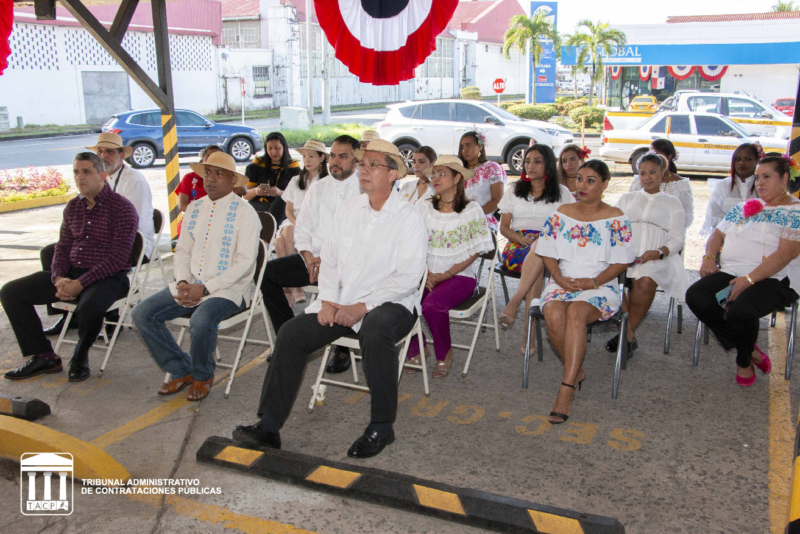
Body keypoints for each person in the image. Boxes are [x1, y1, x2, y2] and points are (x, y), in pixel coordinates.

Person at [232, 139, 427, 459]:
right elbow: (331, 261)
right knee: (291, 333)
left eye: (373, 165)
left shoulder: (408, 216)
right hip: (343, 299)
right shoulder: (349, 209)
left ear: (393, 175)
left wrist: (361, 307)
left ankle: (382, 426)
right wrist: (328, 300)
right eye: (363, 164)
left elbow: (407, 278)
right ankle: (268, 426)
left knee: (375, 329)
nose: (364, 170)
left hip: (392, 303)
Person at [131, 153, 260, 401]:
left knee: (201, 320)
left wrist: (206, 288)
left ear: (233, 179)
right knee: (141, 313)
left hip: (228, 290)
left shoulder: (245, 213)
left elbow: (244, 264)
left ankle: (202, 375)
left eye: (218, 173)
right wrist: (182, 282)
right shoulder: (195, 207)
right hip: (190, 284)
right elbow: (182, 250)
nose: (210, 179)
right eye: (207, 173)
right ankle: (181, 369)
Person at [1, 152, 138, 382]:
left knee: (89, 306)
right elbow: (62, 247)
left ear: (103, 175)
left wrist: (79, 284)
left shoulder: (122, 208)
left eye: (86, 172)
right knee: (11, 292)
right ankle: (44, 356)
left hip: (110, 277)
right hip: (73, 273)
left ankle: (80, 357)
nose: (80, 177)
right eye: (76, 172)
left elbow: (118, 259)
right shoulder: (74, 206)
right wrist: (58, 278)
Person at [686, 155, 800, 386]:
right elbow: (717, 235)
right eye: (757, 177)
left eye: (767, 177)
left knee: (742, 310)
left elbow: (785, 254)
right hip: (731, 271)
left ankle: (743, 359)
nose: (759, 182)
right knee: (696, 296)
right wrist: (709, 258)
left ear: (784, 178)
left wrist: (747, 280)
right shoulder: (743, 207)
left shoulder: (795, 212)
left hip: (775, 277)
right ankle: (749, 348)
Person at [537, 159, 635, 424]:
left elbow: (622, 261)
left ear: (605, 184)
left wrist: (594, 282)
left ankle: (566, 388)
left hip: (600, 282)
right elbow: (546, 252)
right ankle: (576, 370)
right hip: (563, 279)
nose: (582, 185)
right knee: (554, 313)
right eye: (579, 179)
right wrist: (558, 277)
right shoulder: (562, 212)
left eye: (590, 180)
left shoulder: (615, 217)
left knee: (577, 313)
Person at [259, 135, 361, 374]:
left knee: (345, 281)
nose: (335, 161)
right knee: (268, 274)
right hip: (313, 260)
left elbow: (362, 241)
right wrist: (307, 257)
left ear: (356, 161)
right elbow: (302, 229)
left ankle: (342, 349)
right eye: (333, 155)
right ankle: (291, 342)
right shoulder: (318, 188)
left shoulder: (364, 190)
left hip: (347, 265)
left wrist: (329, 261)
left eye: (343, 156)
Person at [40, 133, 156, 338]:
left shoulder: (133, 180)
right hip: (105, 239)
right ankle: (67, 310)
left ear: (122, 155)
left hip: (134, 244)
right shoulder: (100, 177)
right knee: (52, 251)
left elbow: (132, 225)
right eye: (100, 151)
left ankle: (110, 316)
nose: (104, 156)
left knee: (98, 253)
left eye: (110, 152)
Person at [404, 155, 493, 378]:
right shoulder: (424, 207)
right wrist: (426, 272)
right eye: (434, 174)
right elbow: (413, 242)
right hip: (425, 272)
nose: (435, 178)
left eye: (442, 173)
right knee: (402, 298)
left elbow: (476, 250)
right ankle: (418, 347)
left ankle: (444, 354)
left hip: (460, 275)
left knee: (432, 306)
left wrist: (446, 274)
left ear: (457, 178)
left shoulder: (472, 209)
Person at [607, 153, 689, 355]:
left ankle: (625, 333)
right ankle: (628, 336)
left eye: (653, 172)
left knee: (645, 280)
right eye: (643, 173)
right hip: (625, 254)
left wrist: (660, 252)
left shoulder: (672, 203)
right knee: (608, 279)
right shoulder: (627, 198)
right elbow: (611, 226)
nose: (648, 177)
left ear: (663, 173)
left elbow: (678, 238)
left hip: (657, 257)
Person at [496, 145, 575, 355]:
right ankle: (528, 332)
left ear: (548, 164)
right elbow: (504, 227)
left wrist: (544, 239)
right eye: (528, 161)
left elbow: (571, 226)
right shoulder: (514, 189)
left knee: (543, 246)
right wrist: (521, 239)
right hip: (517, 246)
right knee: (540, 258)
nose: (530, 165)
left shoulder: (563, 193)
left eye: (537, 161)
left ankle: (515, 302)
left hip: (552, 248)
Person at [275, 139, 328, 306]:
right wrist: (298, 223)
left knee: (279, 243)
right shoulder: (296, 180)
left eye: (311, 156)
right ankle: (295, 286)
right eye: (305, 156)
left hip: (315, 223)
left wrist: (304, 224)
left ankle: (289, 289)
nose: (307, 160)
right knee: (289, 231)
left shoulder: (327, 183)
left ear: (321, 158)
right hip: (293, 220)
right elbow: (288, 210)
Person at [700, 143, 762, 236]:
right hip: (726, 238)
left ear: (757, 161)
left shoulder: (762, 186)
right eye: (738, 159)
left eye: (747, 159)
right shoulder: (723, 186)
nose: (741, 162)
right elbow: (714, 216)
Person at [630, 139, 694, 229]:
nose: (653, 156)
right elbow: (631, 206)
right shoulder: (639, 181)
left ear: (669, 157)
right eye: (651, 152)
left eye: (656, 153)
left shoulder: (681, 184)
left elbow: (687, 215)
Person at [243, 132, 300, 226]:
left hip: (283, 206)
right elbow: (246, 195)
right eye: (270, 148)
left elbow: (298, 195)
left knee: (279, 206)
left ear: (284, 148)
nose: (273, 152)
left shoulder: (293, 167)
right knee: (266, 212)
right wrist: (256, 191)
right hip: (259, 204)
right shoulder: (256, 165)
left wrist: (280, 193)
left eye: (277, 148)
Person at [459, 131, 507, 231]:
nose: (464, 150)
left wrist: (474, 214)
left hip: (484, 221)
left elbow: (498, 200)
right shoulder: (459, 171)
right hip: (459, 221)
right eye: (462, 146)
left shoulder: (492, 168)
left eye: (468, 145)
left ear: (480, 147)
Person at [174, 144, 224, 238]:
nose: (212, 160)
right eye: (208, 156)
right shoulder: (190, 178)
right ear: (203, 159)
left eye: (216, 157)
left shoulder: (226, 178)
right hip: (193, 223)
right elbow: (182, 205)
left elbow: (242, 191)